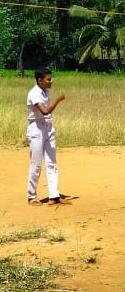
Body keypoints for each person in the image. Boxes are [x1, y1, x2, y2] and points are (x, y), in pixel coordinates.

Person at [26, 67, 71, 205]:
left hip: (48, 127)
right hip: (36, 129)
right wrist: (58, 99)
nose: (51, 81)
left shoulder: (45, 92)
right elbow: (45, 111)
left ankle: (54, 195)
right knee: (36, 164)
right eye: (48, 79)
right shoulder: (34, 93)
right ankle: (31, 196)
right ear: (40, 80)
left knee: (52, 163)